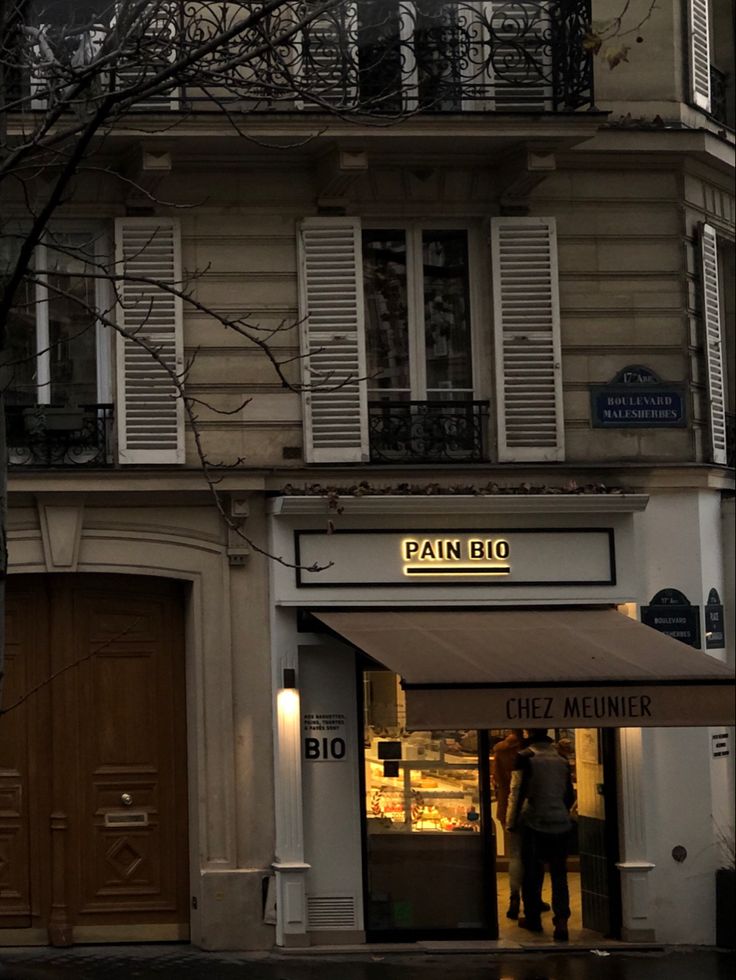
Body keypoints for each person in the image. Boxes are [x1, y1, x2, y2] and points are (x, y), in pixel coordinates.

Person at [506, 728, 576, 941]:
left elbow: (517, 792)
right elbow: (568, 794)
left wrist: (511, 821)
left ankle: (533, 917)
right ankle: (562, 921)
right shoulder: (562, 760)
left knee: (533, 873)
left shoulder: (525, 757)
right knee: (559, 874)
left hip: (534, 821)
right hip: (560, 823)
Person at [491, 729, 525, 919]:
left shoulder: (501, 752)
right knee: (531, 858)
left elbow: (497, 779)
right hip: (530, 810)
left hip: (508, 805)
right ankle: (531, 901)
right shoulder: (528, 751)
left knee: (515, 856)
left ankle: (514, 899)